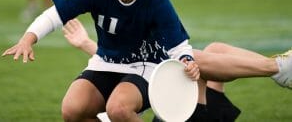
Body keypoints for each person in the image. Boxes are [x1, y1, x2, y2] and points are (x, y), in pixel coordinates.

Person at [2, 0, 292, 122]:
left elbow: (179, 48)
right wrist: (30, 38)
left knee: (199, 62)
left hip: (148, 69)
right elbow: (57, 14)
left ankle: (277, 67)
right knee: (71, 109)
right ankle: (278, 67)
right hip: (114, 66)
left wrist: (188, 62)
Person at [63, 18, 241, 121]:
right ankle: (268, 67)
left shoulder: (112, 107)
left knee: (211, 53)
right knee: (206, 55)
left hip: (180, 110)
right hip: (191, 113)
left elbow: (124, 63)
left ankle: (268, 67)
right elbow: (124, 64)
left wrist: (86, 44)